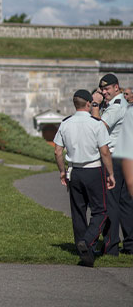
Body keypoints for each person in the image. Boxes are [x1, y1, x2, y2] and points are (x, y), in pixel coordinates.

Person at [53, 89, 115, 266]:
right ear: (88, 104)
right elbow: (104, 151)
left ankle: (84, 250)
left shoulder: (65, 123)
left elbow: (57, 151)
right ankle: (87, 242)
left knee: (78, 211)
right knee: (101, 211)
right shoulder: (96, 124)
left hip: (74, 171)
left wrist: (62, 171)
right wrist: (111, 174)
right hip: (93, 170)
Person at [91, 73, 133, 255]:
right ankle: (130, 245)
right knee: (125, 202)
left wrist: (94, 104)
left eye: (107, 88)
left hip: (114, 158)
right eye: (102, 89)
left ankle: (111, 246)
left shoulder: (116, 107)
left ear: (116, 87)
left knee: (110, 203)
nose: (104, 92)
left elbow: (97, 129)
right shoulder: (123, 103)